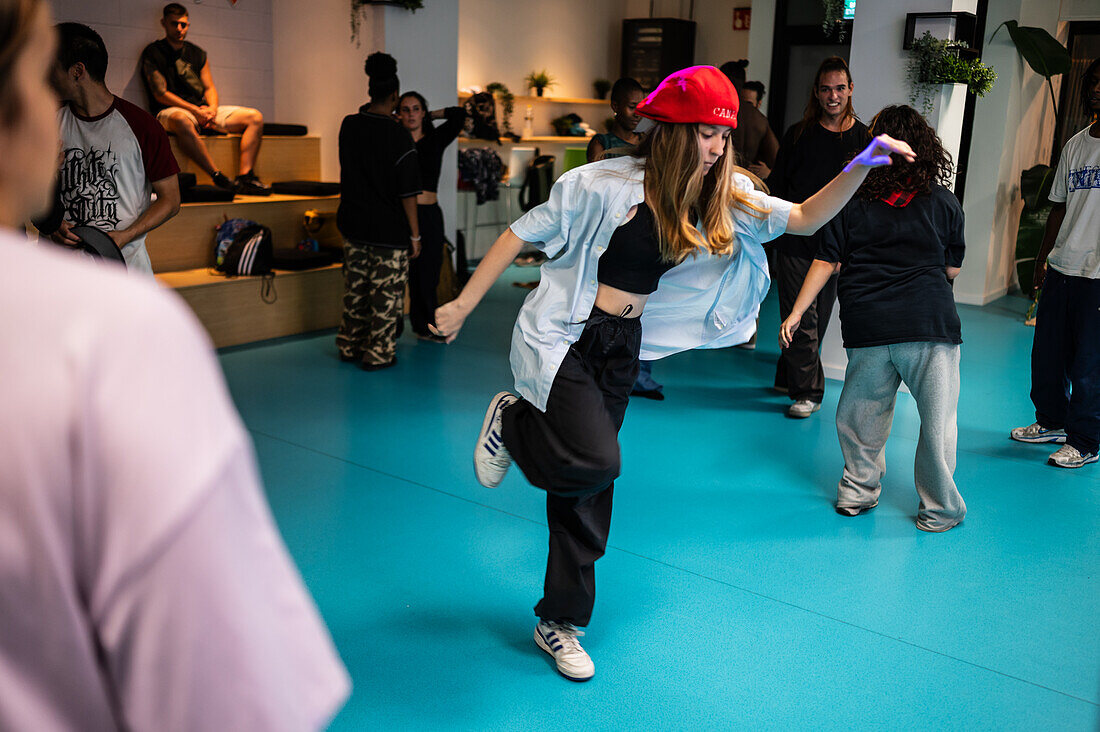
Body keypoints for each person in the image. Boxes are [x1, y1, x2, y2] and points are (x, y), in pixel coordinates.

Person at [431, 66, 914, 681]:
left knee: (585, 486)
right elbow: (517, 235)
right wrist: (461, 307)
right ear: (671, 131)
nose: (716, 148)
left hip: (621, 345)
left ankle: (561, 622)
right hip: (565, 335)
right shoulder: (599, 183)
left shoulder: (723, 193)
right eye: (706, 135)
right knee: (598, 462)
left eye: (723, 137)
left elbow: (804, 219)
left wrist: (863, 164)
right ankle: (516, 418)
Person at [0, 2, 351, 728]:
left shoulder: (137, 125)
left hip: (118, 277)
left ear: (71, 73)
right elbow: (240, 691)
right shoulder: (121, 339)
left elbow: (167, 197)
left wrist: (116, 237)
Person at [779, 104, 967, 532]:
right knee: (938, 423)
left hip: (869, 325)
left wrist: (795, 311)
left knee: (862, 415)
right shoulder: (943, 203)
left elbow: (826, 261)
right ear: (925, 149)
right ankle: (939, 509)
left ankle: (857, 493)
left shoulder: (850, 202)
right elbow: (951, 270)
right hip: (929, 325)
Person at [768, 56, 870, 418]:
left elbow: (867, 199)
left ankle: (789, 372)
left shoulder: (863, 139)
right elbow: (778, 188)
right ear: (816, 91)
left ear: (850, 89)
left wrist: (852, 246)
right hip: (796, 240)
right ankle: (808, 392)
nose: (833, 96)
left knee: (818, 320)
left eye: (840, 88)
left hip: (838, 248)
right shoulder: (798, 134)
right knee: (803, 321)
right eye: (826, 89)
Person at [1010, 57, 1100, 469]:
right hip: (1064, 266)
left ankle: (1085, 441)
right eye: (1093, 82)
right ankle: (1052, 421)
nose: (1098, 88)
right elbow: (1058, 207)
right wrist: (1044, 258)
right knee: (1046, 355)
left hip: (1097, 275)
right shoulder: (1077, 145)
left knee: (1088, 364)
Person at [40, 22, 180, 274]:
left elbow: (171, 200)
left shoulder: (143, 125)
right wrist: (51, 224)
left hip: (124, 268)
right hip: (59, 270)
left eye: (51, 68)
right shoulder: (45, 121)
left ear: (77, 71)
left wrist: (126, 235)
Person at [336, 51, 421, 370]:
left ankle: (349, 345)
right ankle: (378, 352)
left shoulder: (349, 125)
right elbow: (408, 193)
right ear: (396, 97)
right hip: (389, 231)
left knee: (354, 292)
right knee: (385, 298)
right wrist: (415, 234)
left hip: (354, 224)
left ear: (370, 89)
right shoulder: (399, 136)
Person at [586, 77, 665, 399]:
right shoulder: (601, 142)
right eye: (632, 106)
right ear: (615, 107)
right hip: (609, 238)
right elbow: (593, 190)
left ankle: (637, 375)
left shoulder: (649, 142)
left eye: (642, 106)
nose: (637, 112)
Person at [140, 3, 269, 195]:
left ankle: (245, 177)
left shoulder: (197, 53)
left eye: (183, 24)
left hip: (201, 109)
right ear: (164, 23)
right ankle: (217, 176)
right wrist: (195, 111)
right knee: (182, 120)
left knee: (254, 117)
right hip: (170, 110)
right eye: (174, 24)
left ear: (188, 24)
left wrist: (212, 109)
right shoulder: (154, 52)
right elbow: (161, 93)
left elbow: (209, 87)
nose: (179, 29)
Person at [397, 91, 466, 341]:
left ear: (423, 112)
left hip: (429, 213)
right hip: (401, 214)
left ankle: (426, 325)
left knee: (429, 270)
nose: (411, 114)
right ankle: (407, 325)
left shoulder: (435, 138)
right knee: (405, 273)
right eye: (405, 109)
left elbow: (460, 115)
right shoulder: (397, 141)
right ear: (398, 114)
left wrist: (431, 114)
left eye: (416, 109)